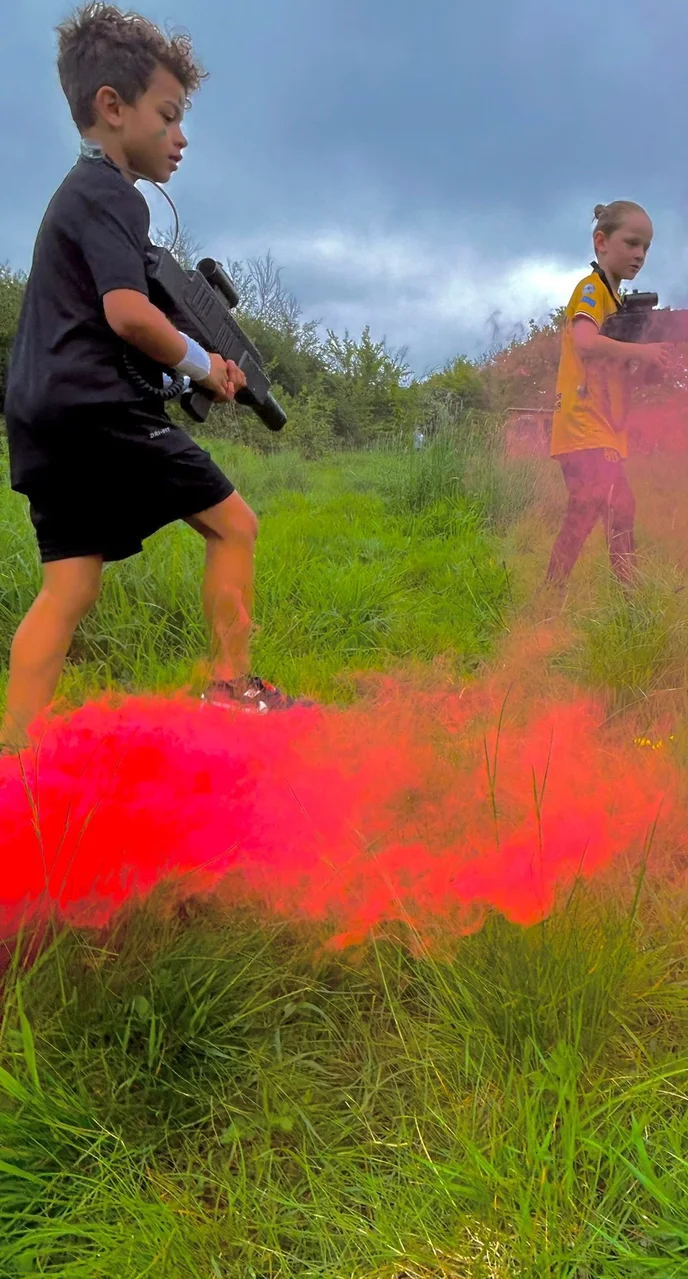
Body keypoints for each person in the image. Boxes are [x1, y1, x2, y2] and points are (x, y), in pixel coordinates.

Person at [1, 4, 302, 752]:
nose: (181, 136)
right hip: (96, 411)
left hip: (40, 415)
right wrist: (203, 364)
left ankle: (15, 759)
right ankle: (234, 693)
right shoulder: (113, 193)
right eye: (167, 117)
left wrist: (183, 372)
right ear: (111, 106)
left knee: (68, 587)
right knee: (234, 524)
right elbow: (128, 314)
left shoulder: (72, 197)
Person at [545, 200, 672, 590]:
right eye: (632, 243)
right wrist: (641, 352)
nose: (639, 254)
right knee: (613, 507)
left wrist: (647, 363)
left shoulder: (615, 302)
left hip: (600, 429)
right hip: (585, 427)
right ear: (601, 242)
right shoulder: (591, 291)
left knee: (592, 511)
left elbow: (609, 364)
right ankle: (627, 601)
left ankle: (555, 596)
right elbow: (585, 341)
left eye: (646, 247)